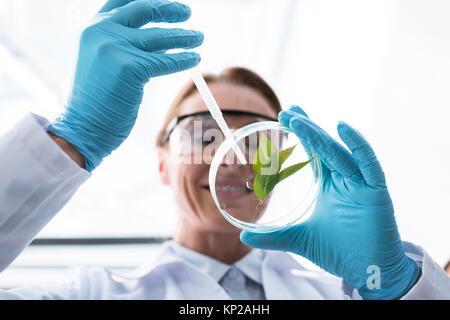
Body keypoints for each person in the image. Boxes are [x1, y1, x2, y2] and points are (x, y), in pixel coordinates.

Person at [0, 0, 449, 300]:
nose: (233, 158)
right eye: (203, 136)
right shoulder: (90, 294)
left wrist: (397, 288)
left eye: (258, 141)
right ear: (161, 163)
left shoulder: (346, 292)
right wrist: (72, 139)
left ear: (285, 164)